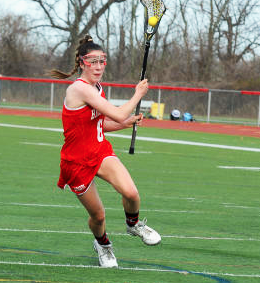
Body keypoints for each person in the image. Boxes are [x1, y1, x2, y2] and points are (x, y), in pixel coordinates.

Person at [50, 35, 161, 268]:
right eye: (93, 62)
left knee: (131, 193)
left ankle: (134, 224)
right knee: (98, 216)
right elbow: (117, 113)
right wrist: (138, 95)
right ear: (82, 63)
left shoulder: (97, 88)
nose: (99, 67)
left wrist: (127, 122)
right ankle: (103, 244)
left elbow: (102, 124)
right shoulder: (80, 89)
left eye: (102, 62)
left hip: (100, 152)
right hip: (76, 161)